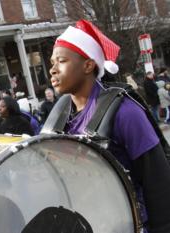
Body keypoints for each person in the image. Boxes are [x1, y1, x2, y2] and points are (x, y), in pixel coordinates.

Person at [45, 19, 170, 232]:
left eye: (61, 61)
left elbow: (157, 181)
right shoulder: (59, 115)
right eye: (51, 63)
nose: (52, 70)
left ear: (88, 64)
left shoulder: (125, 112)